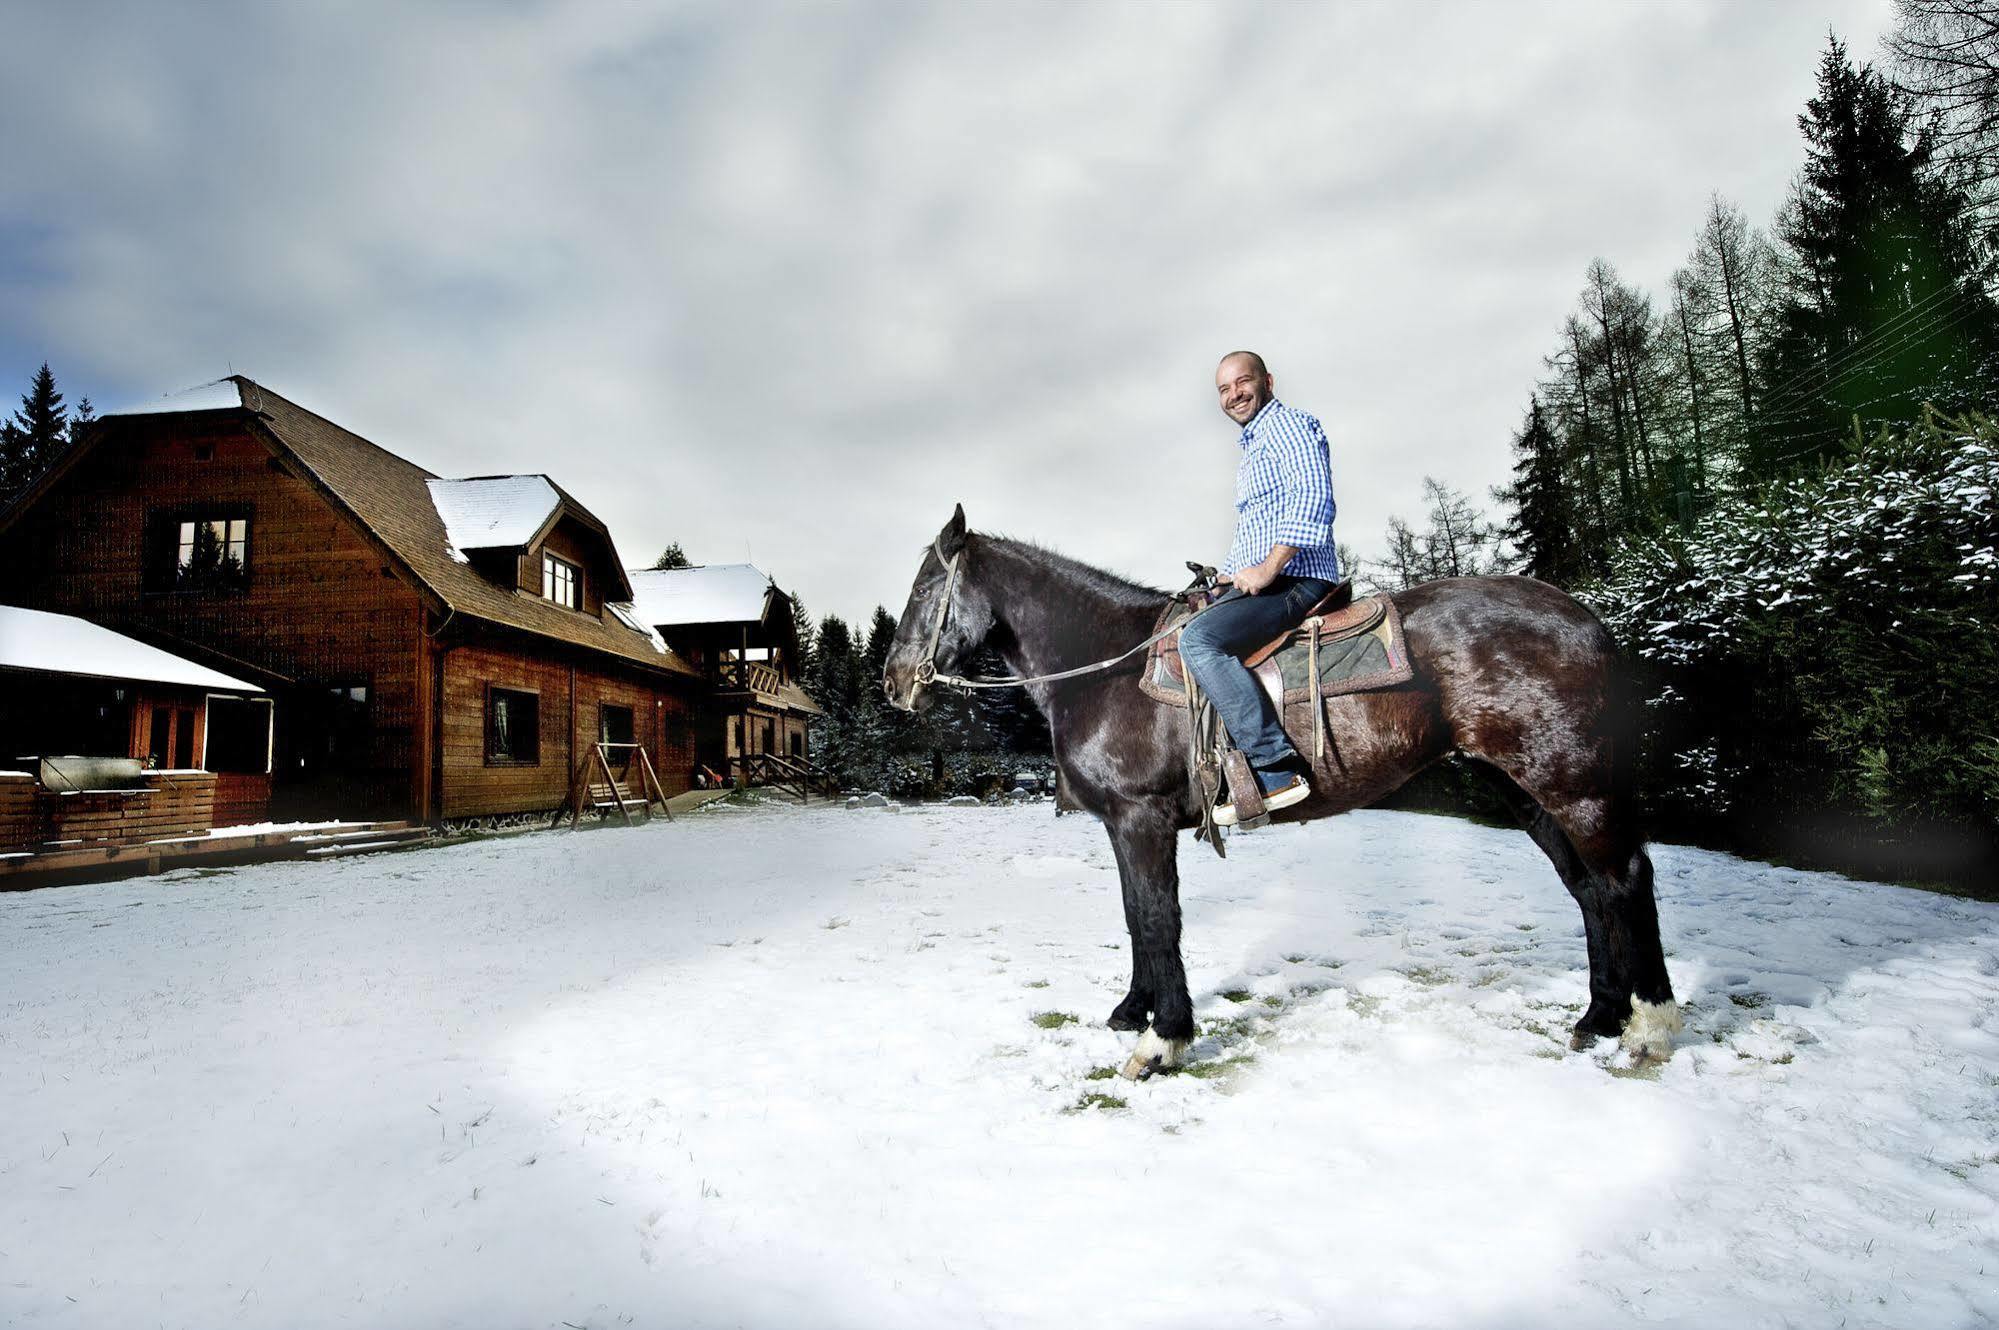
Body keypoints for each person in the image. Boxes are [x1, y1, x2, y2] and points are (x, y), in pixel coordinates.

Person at [1180, 350, 1339, 825]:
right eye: (1224, 390)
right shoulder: (1254, 444)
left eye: (1242, 382)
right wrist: (1230, 573)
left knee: (1200, 641)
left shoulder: (1287, 425)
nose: (1234, 395)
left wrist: (1268, 569)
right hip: (1272, 576)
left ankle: (1275, 768)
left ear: (1267, 380)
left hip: (1298, 577)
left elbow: (1314, 496)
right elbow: (1257, 525)